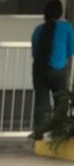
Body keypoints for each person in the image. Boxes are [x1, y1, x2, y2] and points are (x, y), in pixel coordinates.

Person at [31, 0, 74, 140]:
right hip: (58, 69)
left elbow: (35, 51)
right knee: (60, 104)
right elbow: (70, 50)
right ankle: (58, 134)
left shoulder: (38, 29)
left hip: (39, 70)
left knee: (41, 104)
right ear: (60, 12)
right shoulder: (66, 27)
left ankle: (38, 135)